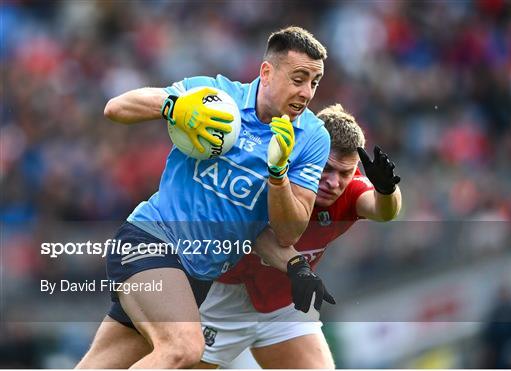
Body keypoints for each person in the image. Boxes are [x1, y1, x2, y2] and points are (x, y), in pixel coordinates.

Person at [77, 26, 331, 369]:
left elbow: (289, 233)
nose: (307, 92)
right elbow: (116, 108)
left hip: (197, 275)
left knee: (99, 365)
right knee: (182, 348)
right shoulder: (215, 95)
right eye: (299, 79)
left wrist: (278, 174)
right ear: (267, 73)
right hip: (152, 240)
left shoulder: (311, 138)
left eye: (314, 83)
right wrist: (175, 107)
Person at [197, 104, 402, 369]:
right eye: (326, 168)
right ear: (307, 153)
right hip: (223, 297)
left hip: (286, 305)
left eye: (344, 173)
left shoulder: (349, 191)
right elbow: (257, 236)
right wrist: (298, 266)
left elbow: (383, 211)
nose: (334, 182)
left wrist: (387, 189)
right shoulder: (268, 172)